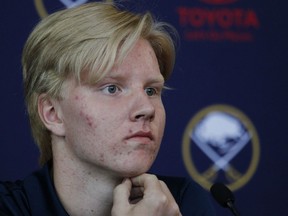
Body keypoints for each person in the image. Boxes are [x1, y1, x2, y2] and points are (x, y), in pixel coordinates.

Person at [0, 2, 215, 215]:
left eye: (151, 90)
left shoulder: (182, 203)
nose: (147, 108)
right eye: (112, 89)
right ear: (53, 114)